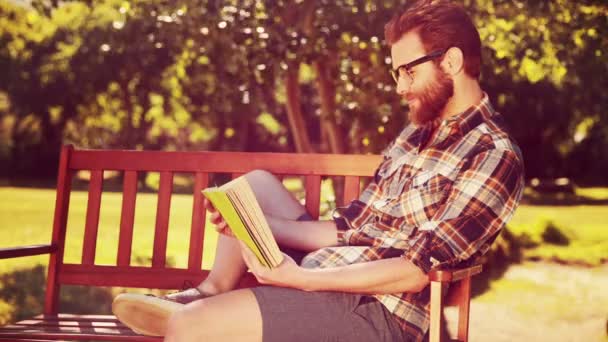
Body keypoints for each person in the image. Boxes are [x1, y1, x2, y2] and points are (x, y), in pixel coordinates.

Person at [112, 0, 525, 341]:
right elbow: (347, 229)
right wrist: (249, 225)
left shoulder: (493, 154)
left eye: (408, 71)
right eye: (396, 73)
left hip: (381, 314)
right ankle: (208, 292)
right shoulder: (413, 138)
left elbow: (415, 272)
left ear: (451, 61)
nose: (400, 87)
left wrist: (300, 280)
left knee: (193, 327)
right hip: (332, 273)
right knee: (253, 186)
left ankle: (195, 316)